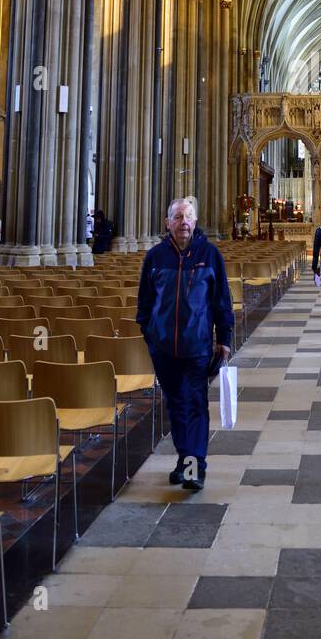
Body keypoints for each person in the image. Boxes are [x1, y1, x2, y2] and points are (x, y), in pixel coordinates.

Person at [136, 198, 234, 492]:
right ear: (168, 223)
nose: (184, 222)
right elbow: (144, 303)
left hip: (198, 346)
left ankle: (195, 467)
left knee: (194, 404)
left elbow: (221, 301)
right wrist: (151, 335)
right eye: (178, 217)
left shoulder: (209, 253)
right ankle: (183, 461)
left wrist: (225, 340)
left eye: (189, 216)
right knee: (176, 404)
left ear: (196, 221)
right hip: (165, 349)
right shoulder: (155, 257)